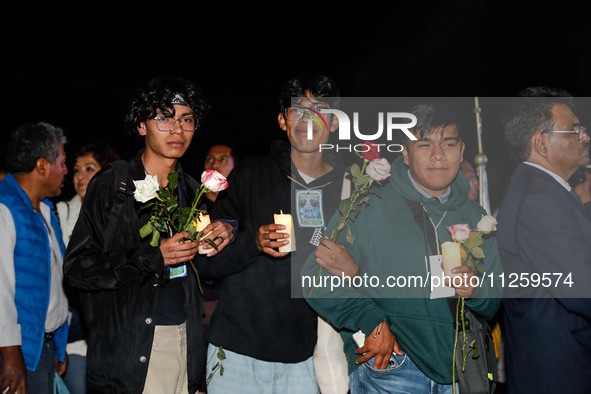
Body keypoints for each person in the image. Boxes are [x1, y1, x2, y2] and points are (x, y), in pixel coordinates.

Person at [302, 103, 503, 393]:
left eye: (448, 144)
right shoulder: (369, 204)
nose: (437, 155)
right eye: (424, 145)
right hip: (392, 367)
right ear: (405, 154)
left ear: (461, 151)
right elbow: (314, 278)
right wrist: (371, 322)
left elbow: (493, 298)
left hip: (458, 372)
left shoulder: (476, 216)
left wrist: (476, 291)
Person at [63, 76, 234, 394]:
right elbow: (77, 268)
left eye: (186, 120)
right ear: (141, 126)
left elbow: (204, 272)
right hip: (131, 350)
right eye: (164, 118)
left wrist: (226, 233)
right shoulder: (114, 184)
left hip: (186, 341)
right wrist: (153, 257)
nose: (177, 129)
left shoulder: (192, 191)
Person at [199, 74, 353, 393]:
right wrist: (253, 241)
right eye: (298, 110)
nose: (308, 119)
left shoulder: (352, 189)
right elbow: (207, 265)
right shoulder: (250, 173)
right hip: (235, 354)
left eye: (320, 110)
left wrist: (351, 269)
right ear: (283, 121)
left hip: (308, 360)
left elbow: (372, 270)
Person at [497, 86, 591, 393]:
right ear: (541, 142)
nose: (585, 137)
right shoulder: (539, 198)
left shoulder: (545, 191)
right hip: (560, 372)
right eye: (575, 130)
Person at [0, 122, 70, 394]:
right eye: (62, 162)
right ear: (42, 166)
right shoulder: (5, 209)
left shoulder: (46, 212)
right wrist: (9, 354)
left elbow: (55, 286)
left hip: (42, 349)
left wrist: (58, 345)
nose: (65, 170)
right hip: (18, 354)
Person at [55, 141, 120, 394]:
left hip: (115, 328)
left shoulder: (122, 215)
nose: (81, 176)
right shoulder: (59, 213)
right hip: (74, 331)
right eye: (77, 169)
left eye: (90, 168)